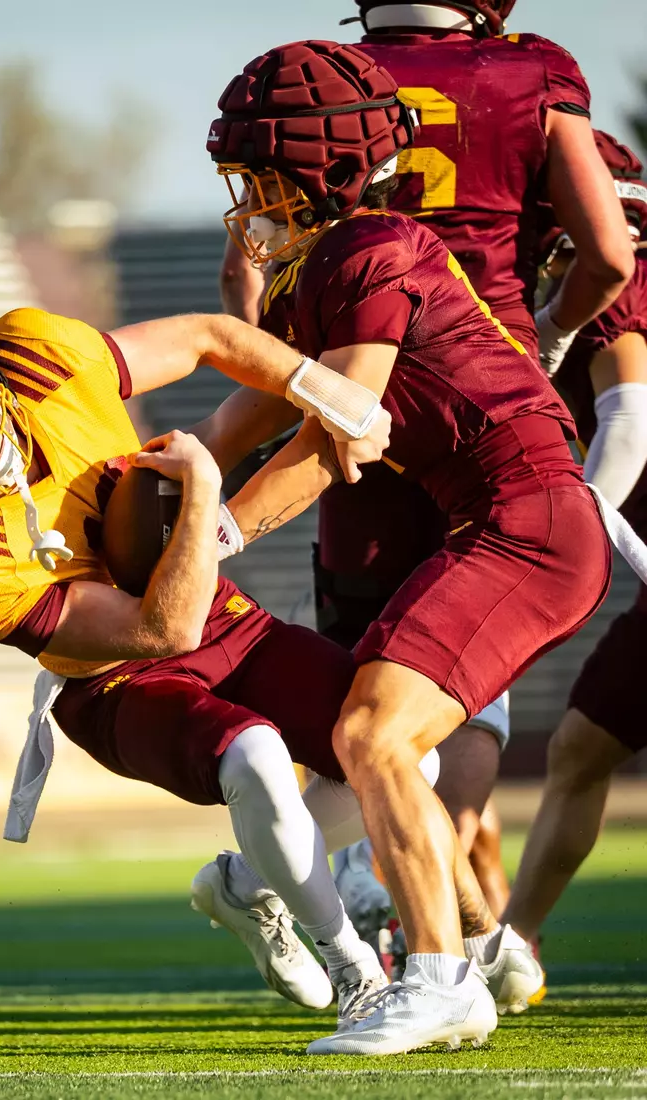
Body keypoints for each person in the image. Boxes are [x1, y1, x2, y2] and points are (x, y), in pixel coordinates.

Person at [0, 306, 403, 1025]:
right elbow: (162, 630)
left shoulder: (37, 357)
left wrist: (321, 389)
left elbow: (207, 337)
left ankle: (250, 884)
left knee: (398, 753)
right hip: (115, 679)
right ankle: (356, 974)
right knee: (254, 756)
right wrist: (205, 495)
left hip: (216, 612)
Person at [203, 38, 618, 1055]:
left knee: (377, 734)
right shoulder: (326, 264)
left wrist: (207, 537)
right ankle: (269, 887)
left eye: (258, 176)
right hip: (494, 520)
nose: (244, 197)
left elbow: (331, 431)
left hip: (527, 518)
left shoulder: (371, 248)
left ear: (317, 170)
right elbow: (241, 417)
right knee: (364, 733)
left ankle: (441, 977)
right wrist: (117, 503)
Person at [502, 132, 647, 944]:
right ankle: (516, 944)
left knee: (578, 751)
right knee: (581, 748)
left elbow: (631, 420)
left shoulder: (614, 293)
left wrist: (576, 523)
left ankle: (515, 943)